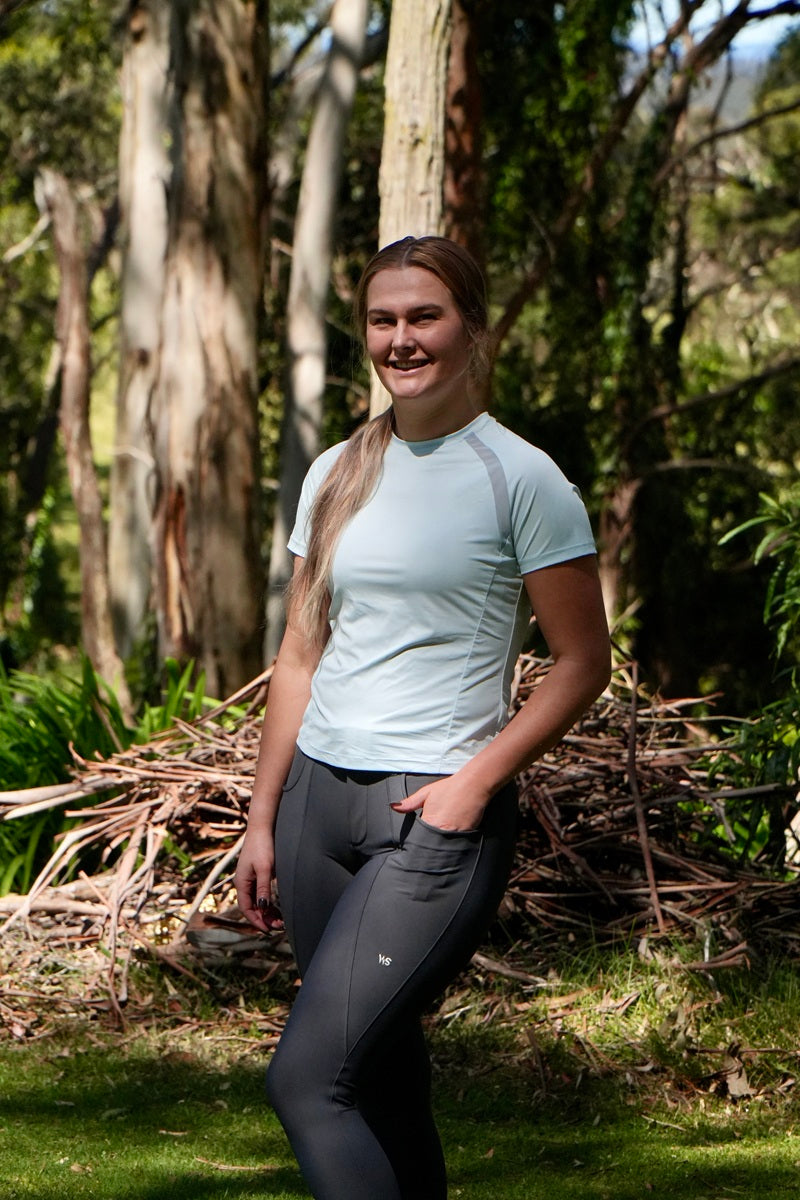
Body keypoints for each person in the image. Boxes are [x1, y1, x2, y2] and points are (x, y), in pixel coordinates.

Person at [234, 235, 611, 1200]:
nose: (402, 339)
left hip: (431, 815)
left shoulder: (521, 477)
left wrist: (474, 784)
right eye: (383, 319)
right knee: (382, 1080)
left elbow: (581, 664)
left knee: (310, 1081)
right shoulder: (335, 473)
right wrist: (264, 817)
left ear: (472, 329)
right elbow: (300, 656)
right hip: (320, 804)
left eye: (424, 316)